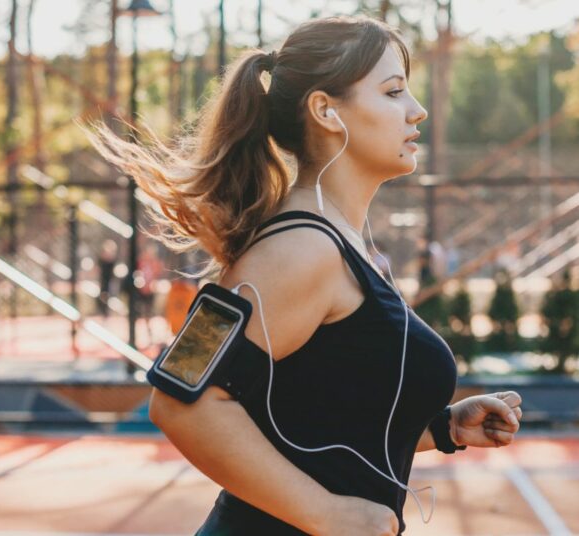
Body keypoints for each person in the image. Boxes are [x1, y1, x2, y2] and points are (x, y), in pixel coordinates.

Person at [83, 15, 523, 535]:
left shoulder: (337, 244)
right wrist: (326, 513)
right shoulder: (300, 249)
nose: (417, 110)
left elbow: (320, 412)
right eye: (394, 92)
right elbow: (180, 398)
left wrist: (443, 427)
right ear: (325, 111)